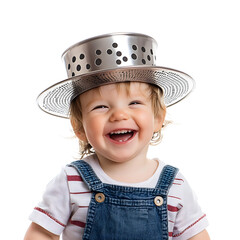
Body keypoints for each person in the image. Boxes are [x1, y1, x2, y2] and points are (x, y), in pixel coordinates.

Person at [24, 33, 210, 240]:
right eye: (100, 106)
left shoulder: (175, 185)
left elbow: (197, 236)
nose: (119, 115)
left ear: (158, 117)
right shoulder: (71, 181)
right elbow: (41, 233)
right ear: (80, 128)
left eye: (135, 103)